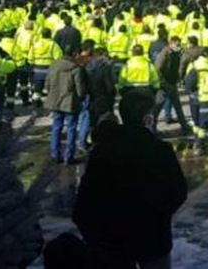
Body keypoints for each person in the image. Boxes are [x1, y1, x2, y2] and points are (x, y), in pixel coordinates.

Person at [73, 89, 188, 269]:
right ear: (146, 118)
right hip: (152, 236)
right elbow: (178, 192)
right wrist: (159, 214)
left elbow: (87, 195)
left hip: (112, 237)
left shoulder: (103, 150)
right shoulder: (159, 150)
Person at [45, 44, 86, 165]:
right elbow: (80, 89)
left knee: (56, 126)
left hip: (56, 100)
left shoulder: (54, 65)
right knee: (72, 128)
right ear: (74, 54)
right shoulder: (76, 69)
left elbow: (47, 84)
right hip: (70, 102)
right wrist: (82, 97)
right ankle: (69, 156)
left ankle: (55, 154)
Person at [154, 35, 191, 133]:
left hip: (172, 83)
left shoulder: (176, 53)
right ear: (171, 43)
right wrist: (163, 83)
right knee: (158, 106)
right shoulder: (164, 53)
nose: (178, 47)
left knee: (178, 106)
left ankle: (184, 126)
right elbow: (157, 69)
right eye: (177, 44)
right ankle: (152, 126)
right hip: (165, 84)